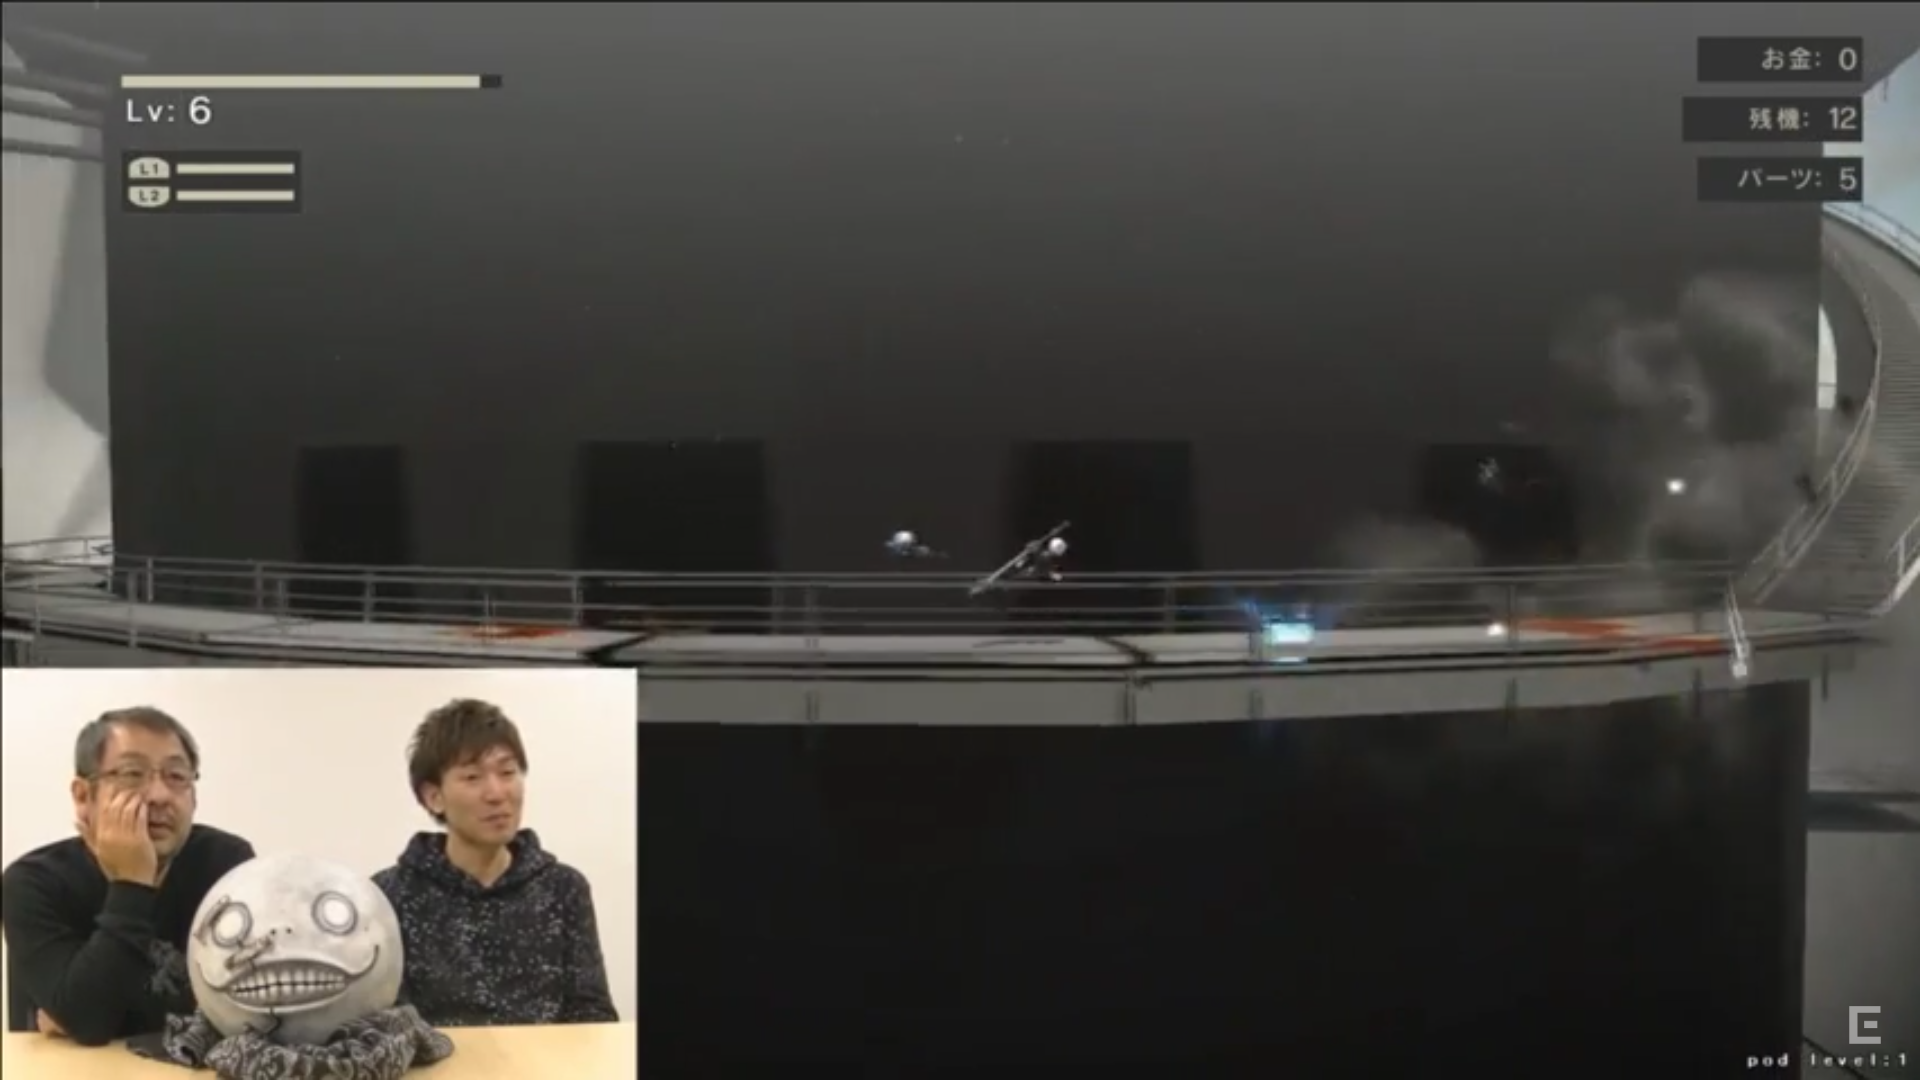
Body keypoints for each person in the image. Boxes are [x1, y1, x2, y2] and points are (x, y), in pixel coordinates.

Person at [1, 707, 256, 1045]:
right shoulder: (32, 883)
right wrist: (132, 883)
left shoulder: (227, 865)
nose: (159, 795)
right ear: (83, 796)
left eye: (177, 776)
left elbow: (252, 1006)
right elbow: (89, 1021)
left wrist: (103, 1013)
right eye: (132, 774)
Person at [372, 698, 618, 1026]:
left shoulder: (563, 888)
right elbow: (386, 1023)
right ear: (434, 797)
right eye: (472, 777)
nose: (497, 793)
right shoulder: (388, 896)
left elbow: (593, 1015)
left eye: (507, 772)